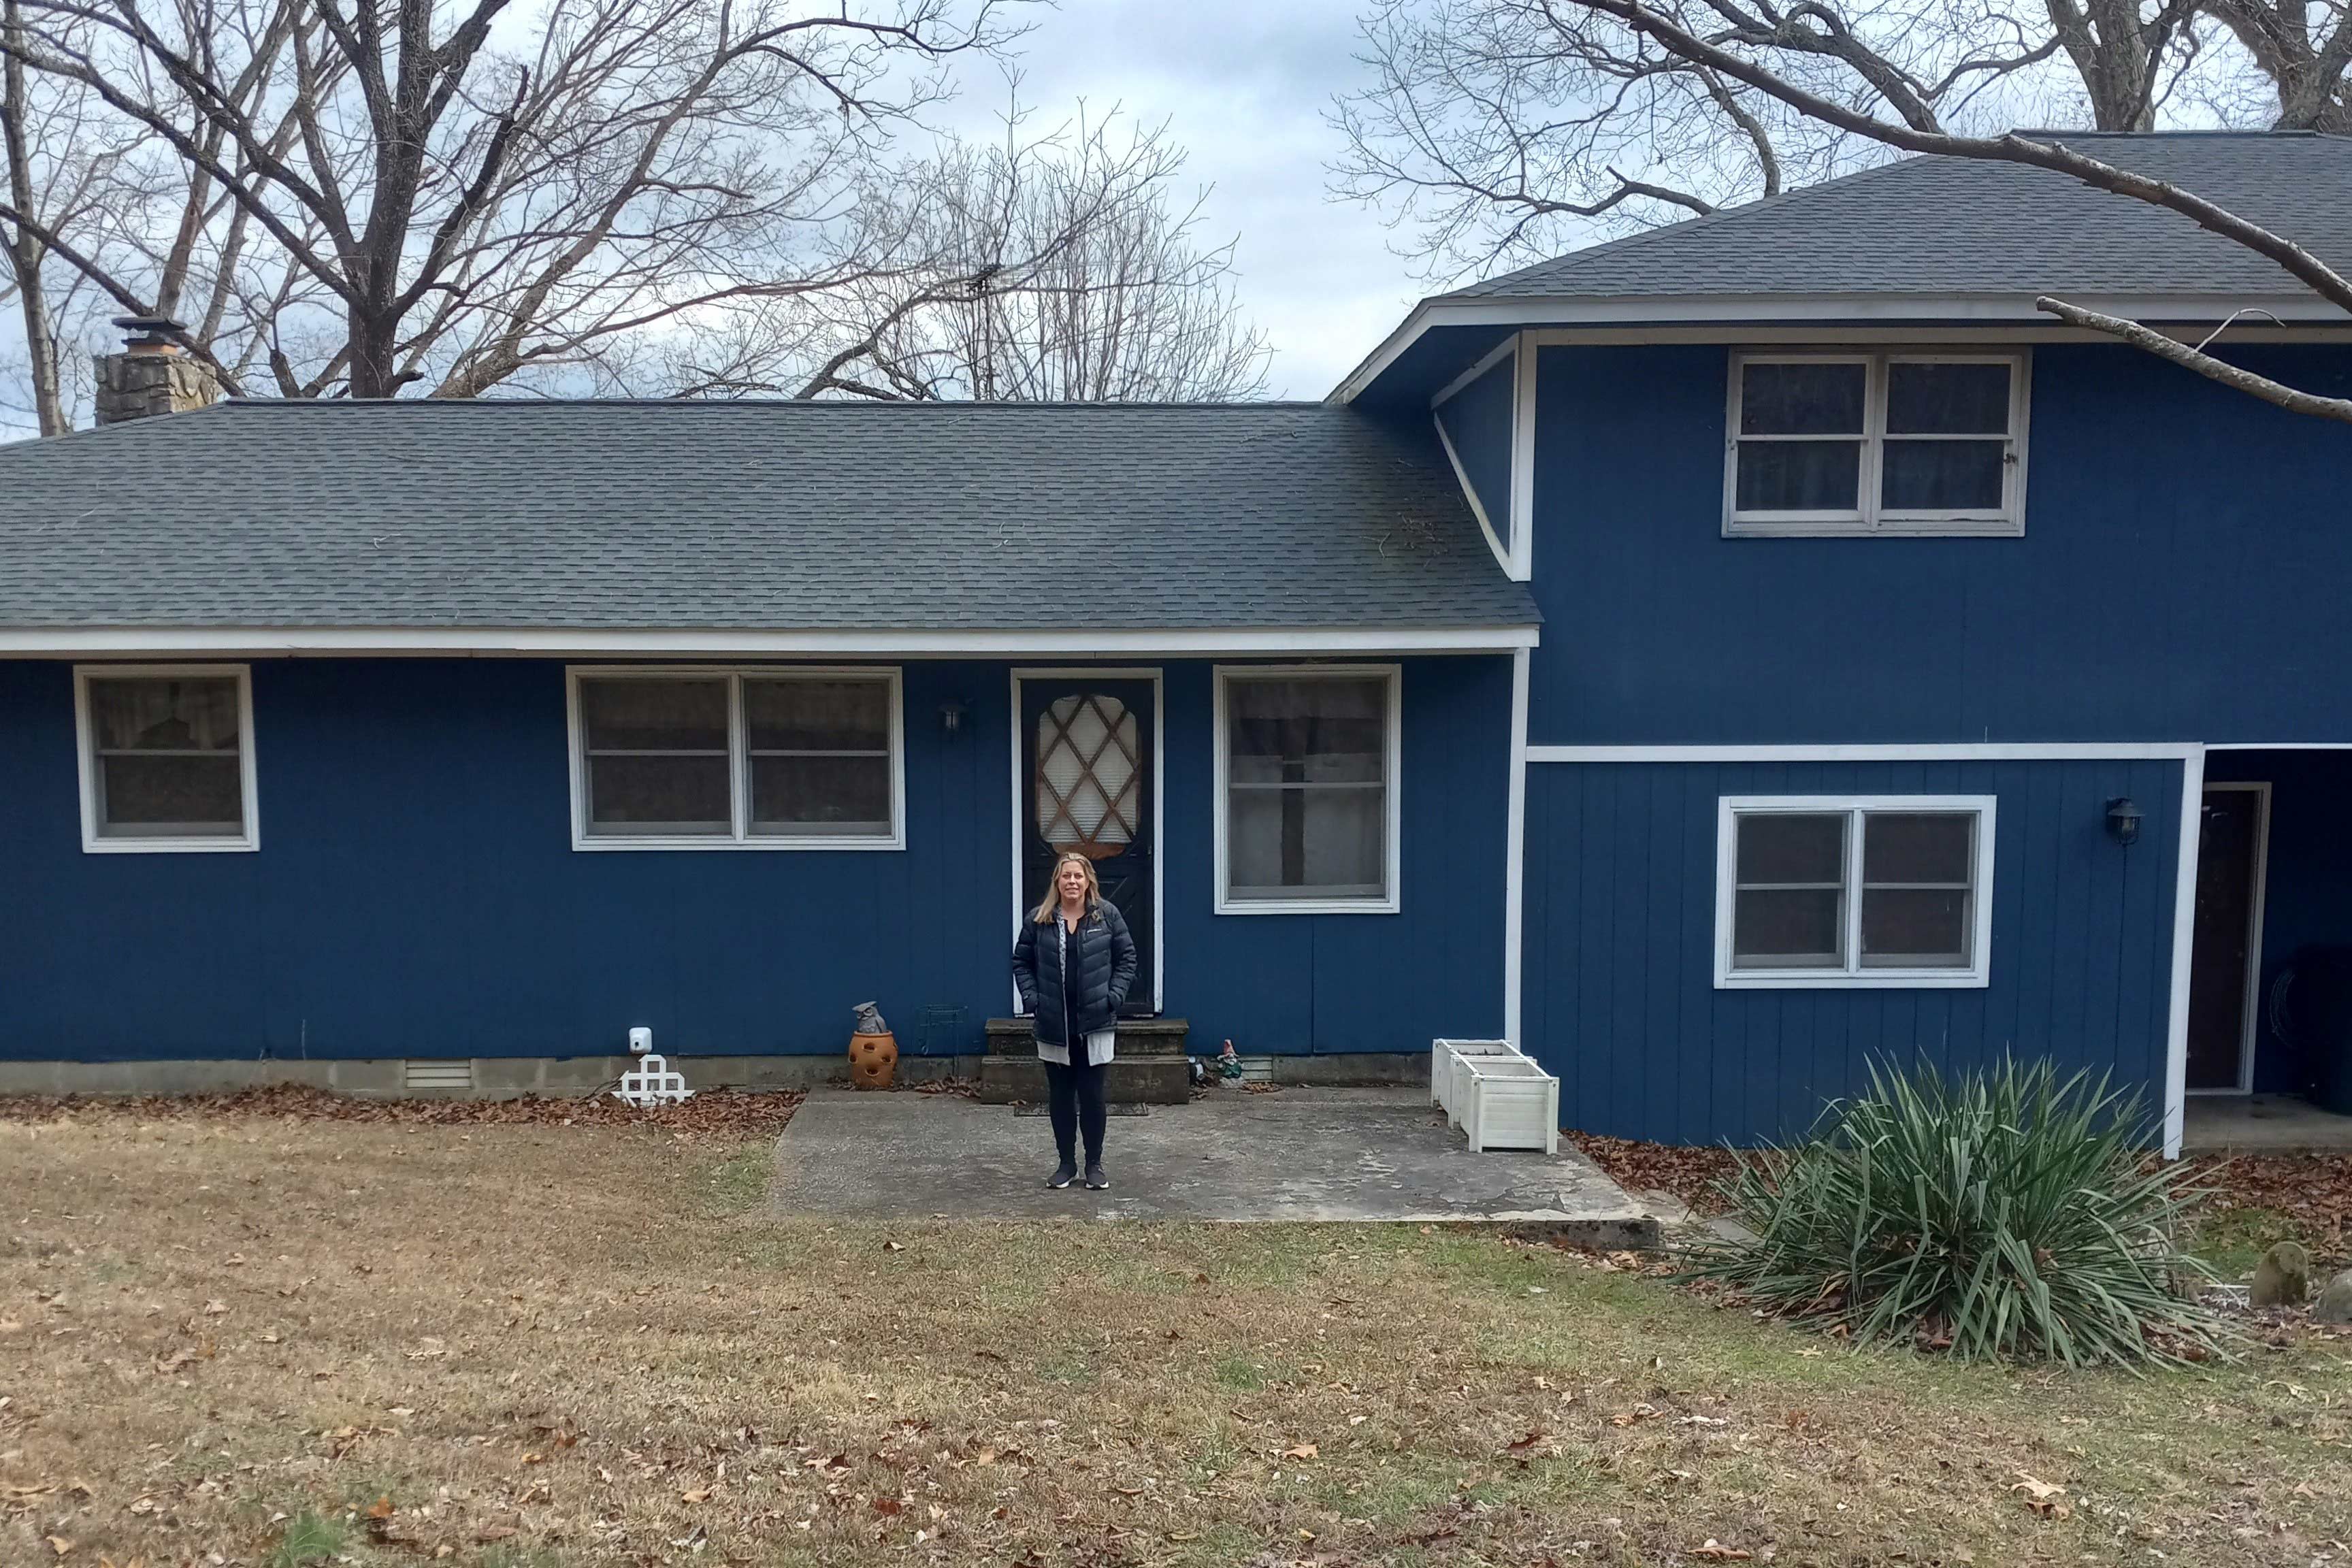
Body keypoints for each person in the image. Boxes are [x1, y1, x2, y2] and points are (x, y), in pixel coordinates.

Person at [1011, 851, 1138, 1190]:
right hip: (1055, 1024)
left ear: (1088, 881)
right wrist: (1034, 999)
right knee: (1061, 1097)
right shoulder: (1039, 920)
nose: (1072, 882)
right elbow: (1021, 963)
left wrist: (1114, 997)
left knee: (1093, 1096)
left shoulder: (1106, 916)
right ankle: (1066, 1164)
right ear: (1057, 881)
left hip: (1096, 1023)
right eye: (1066, 876)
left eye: (1078, 876)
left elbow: (1127, 958)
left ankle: (1094, 1164)